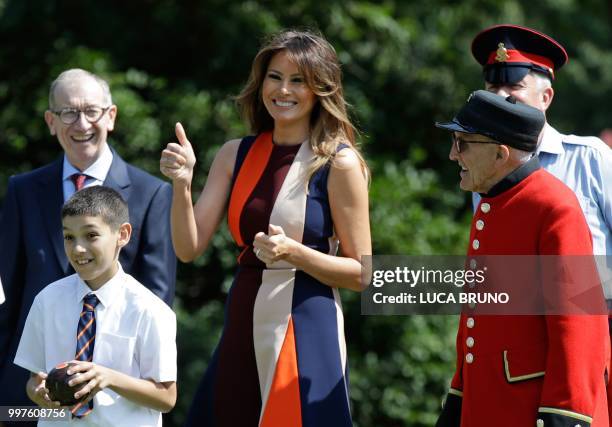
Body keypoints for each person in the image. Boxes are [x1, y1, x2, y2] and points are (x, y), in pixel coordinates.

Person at [160, 29, 371, 426]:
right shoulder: (232, 154)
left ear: (320, 89)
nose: (283, 90)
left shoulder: (339, 163)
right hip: (243, 315)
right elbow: (188, 249)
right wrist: (183, 183)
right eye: (275, 77)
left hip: (307, 320)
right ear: (261, 84)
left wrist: (295, 252)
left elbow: (364, 273)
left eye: (298, 80)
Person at [0, 69, 176, 414]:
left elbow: (157, 296)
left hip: (116, 393)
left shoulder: (152, 193)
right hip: (29, 387)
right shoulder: (23, 189)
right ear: (51, 121)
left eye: (91, 111)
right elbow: (7, 290)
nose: (81, 124)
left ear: (110, 116)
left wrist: (117, 379)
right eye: (68, 112)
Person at [434, 90, 609, 426]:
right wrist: (459, 396)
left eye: (462, 143)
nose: (453, 155)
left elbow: (579, 326)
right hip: (491, 405)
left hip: (533, 410)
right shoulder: (491, 204)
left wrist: (564, 415)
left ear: (501, 154)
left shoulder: (556, 207)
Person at [13, 186, 177, 427]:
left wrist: (108, 378)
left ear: (122, 234)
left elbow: (166, 397)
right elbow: (34, 378)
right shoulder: (47, 300)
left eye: (91, 235)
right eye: (69, 237)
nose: (78, 248)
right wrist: (38, 392)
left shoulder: (150, 310)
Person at [470, 24, 611, 274]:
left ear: (546, 98)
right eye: (492, 89)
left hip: (595, 311)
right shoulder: (485, 169)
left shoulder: (589, 157)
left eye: (515, 87)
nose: (501, 98)